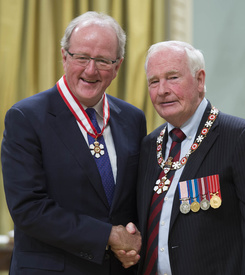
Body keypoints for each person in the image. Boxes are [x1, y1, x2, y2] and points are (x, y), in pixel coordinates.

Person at [1, 11, 146, 275]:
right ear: (64, 57)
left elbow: (137, 198)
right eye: (82, 57)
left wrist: (133, 243)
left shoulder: (133, 119)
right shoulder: (26, 117)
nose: (90, 70)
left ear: (118, 66)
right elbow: (28, 209)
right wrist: (108, 236)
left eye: (103, 60)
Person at [136, 40, 245, 275]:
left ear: (199, 80)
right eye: (154, 81)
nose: (162, 90)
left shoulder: (241, 138)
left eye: (173, 78)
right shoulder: (149, 146)